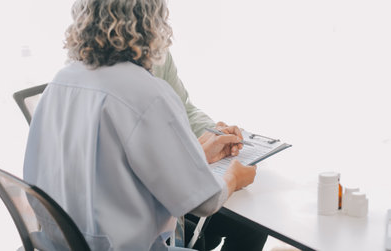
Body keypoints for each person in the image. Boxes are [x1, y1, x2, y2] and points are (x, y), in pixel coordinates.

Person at [23, 0, 257, 250]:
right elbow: (204, 202)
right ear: (152, 23)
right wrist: (234, 177)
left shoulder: (61, 81)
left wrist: (197, 154)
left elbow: (105, 170)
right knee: (251, 229)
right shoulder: (145, 92)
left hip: (59, 246)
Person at [152, 54, 268, 250]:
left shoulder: (157, 55)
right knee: (194, 234)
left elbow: (183, 109)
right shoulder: (131, 101)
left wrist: (214, 135)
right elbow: (203, 201)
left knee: (250, 226)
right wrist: (233, 178)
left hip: (160, 199)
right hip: (143, 222)